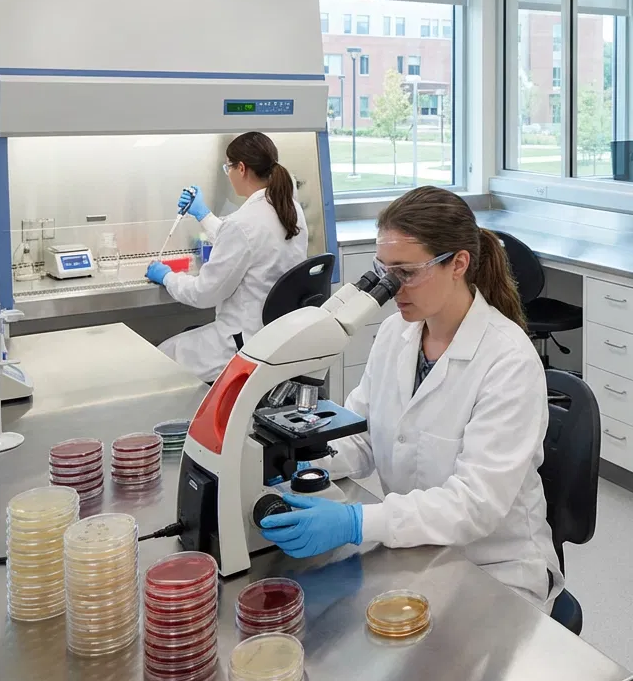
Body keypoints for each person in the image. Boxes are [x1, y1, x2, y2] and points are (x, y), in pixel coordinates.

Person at [259, 186, 564, 612]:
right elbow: (362, 435)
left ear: (459, 263)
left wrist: (355, 521)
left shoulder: (508, 360)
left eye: (406, 272)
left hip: (495, 568)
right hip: (415, 551)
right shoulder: (394, 334)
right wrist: (296, 463)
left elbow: (475, 503)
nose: (392, 289)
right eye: (383, 271)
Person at [146, 131, 308, 383]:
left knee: (159, 358)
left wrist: (167, 277)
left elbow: (203, 293)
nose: (228, 174)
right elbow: (244, 241)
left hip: (239, 345)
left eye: (227, 168)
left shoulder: (243, 223)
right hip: (275, 339)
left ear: (241, 168)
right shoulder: (290, 208)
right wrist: (203, 214)